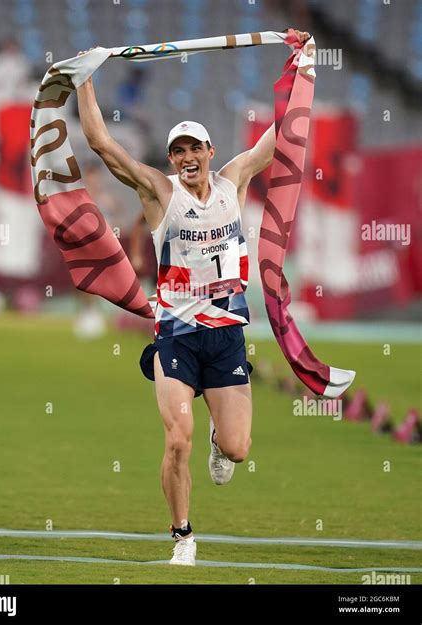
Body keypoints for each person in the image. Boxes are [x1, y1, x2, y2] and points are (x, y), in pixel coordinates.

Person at [77, 29, 310, 567]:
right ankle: (183, 535)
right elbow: (102, 145)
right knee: (175, 438)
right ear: (171, 157)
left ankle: (218, 433)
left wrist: (304, 69)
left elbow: (285, 131)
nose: (186, 156)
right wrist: (85, 78)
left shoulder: (235, 179)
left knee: (237, 449)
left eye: (193, 148)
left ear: (210, 151)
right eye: (177, 150)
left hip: (227, 338)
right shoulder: (159, 192)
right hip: (176, 337)